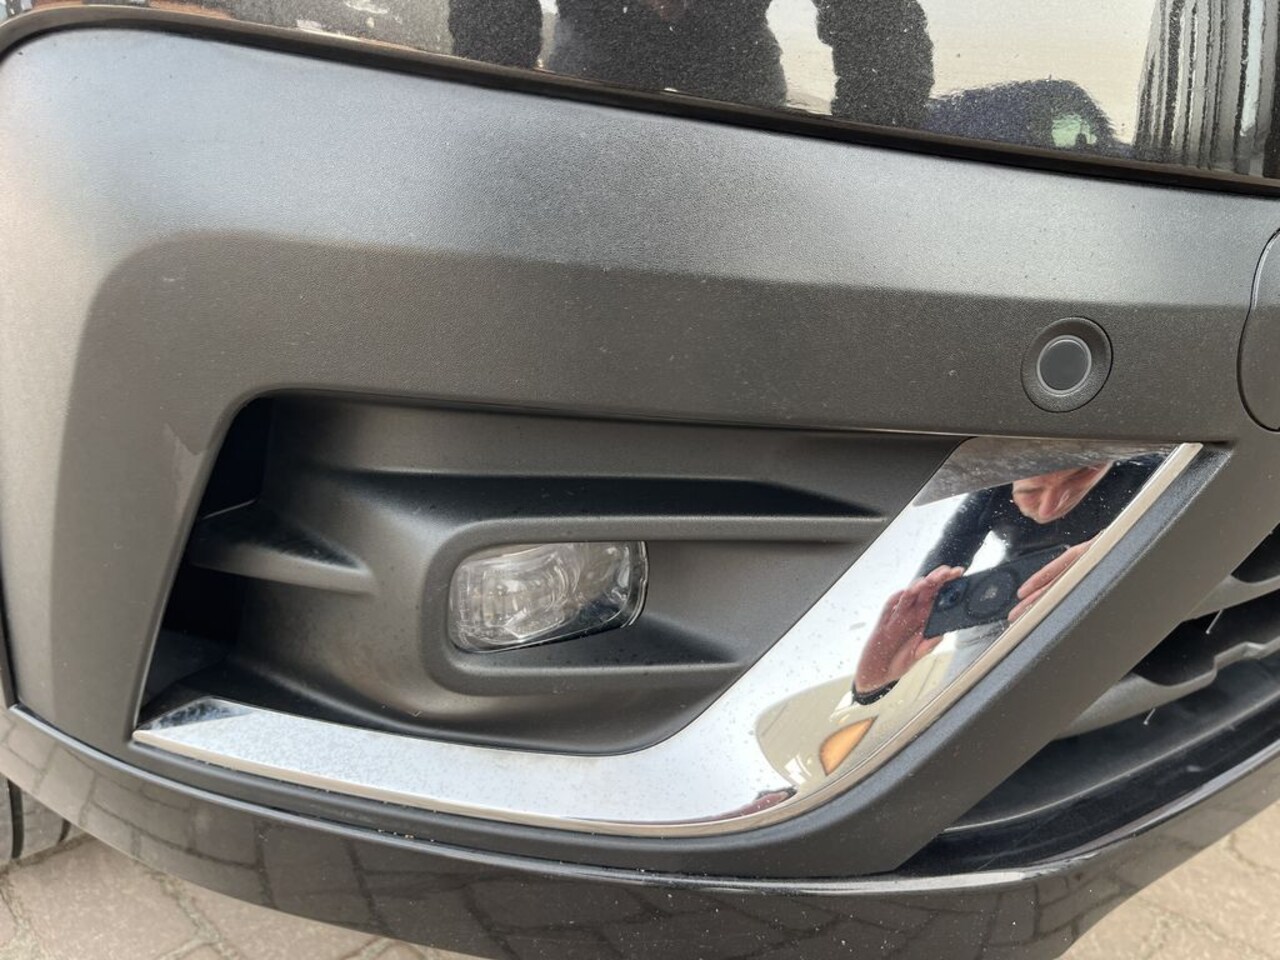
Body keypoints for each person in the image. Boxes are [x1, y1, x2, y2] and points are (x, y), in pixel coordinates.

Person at [852, 458, 1159, 703]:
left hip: (1107, 572)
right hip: (1009, 592)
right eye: (1030, 492)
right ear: (1009, 479)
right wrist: (875, 679)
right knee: (967, 691)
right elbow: (944, 560)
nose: (1050, 508)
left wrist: (1121, 548)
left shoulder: (1144, 467)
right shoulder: (990, 491)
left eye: (1079, 475)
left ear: (1107, 460)